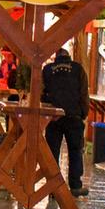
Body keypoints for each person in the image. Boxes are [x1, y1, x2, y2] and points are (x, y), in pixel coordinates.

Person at [40, 47, 89, 196]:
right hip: (73, 116)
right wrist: (83, 113)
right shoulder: (78, 69)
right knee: (75, 151)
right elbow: (84, 93)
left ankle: (53, 188)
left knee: (52, 153)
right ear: (69, 57)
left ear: (56, 57)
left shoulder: (47, 70)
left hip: (53, 117)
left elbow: (42, 93)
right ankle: (75, 186)